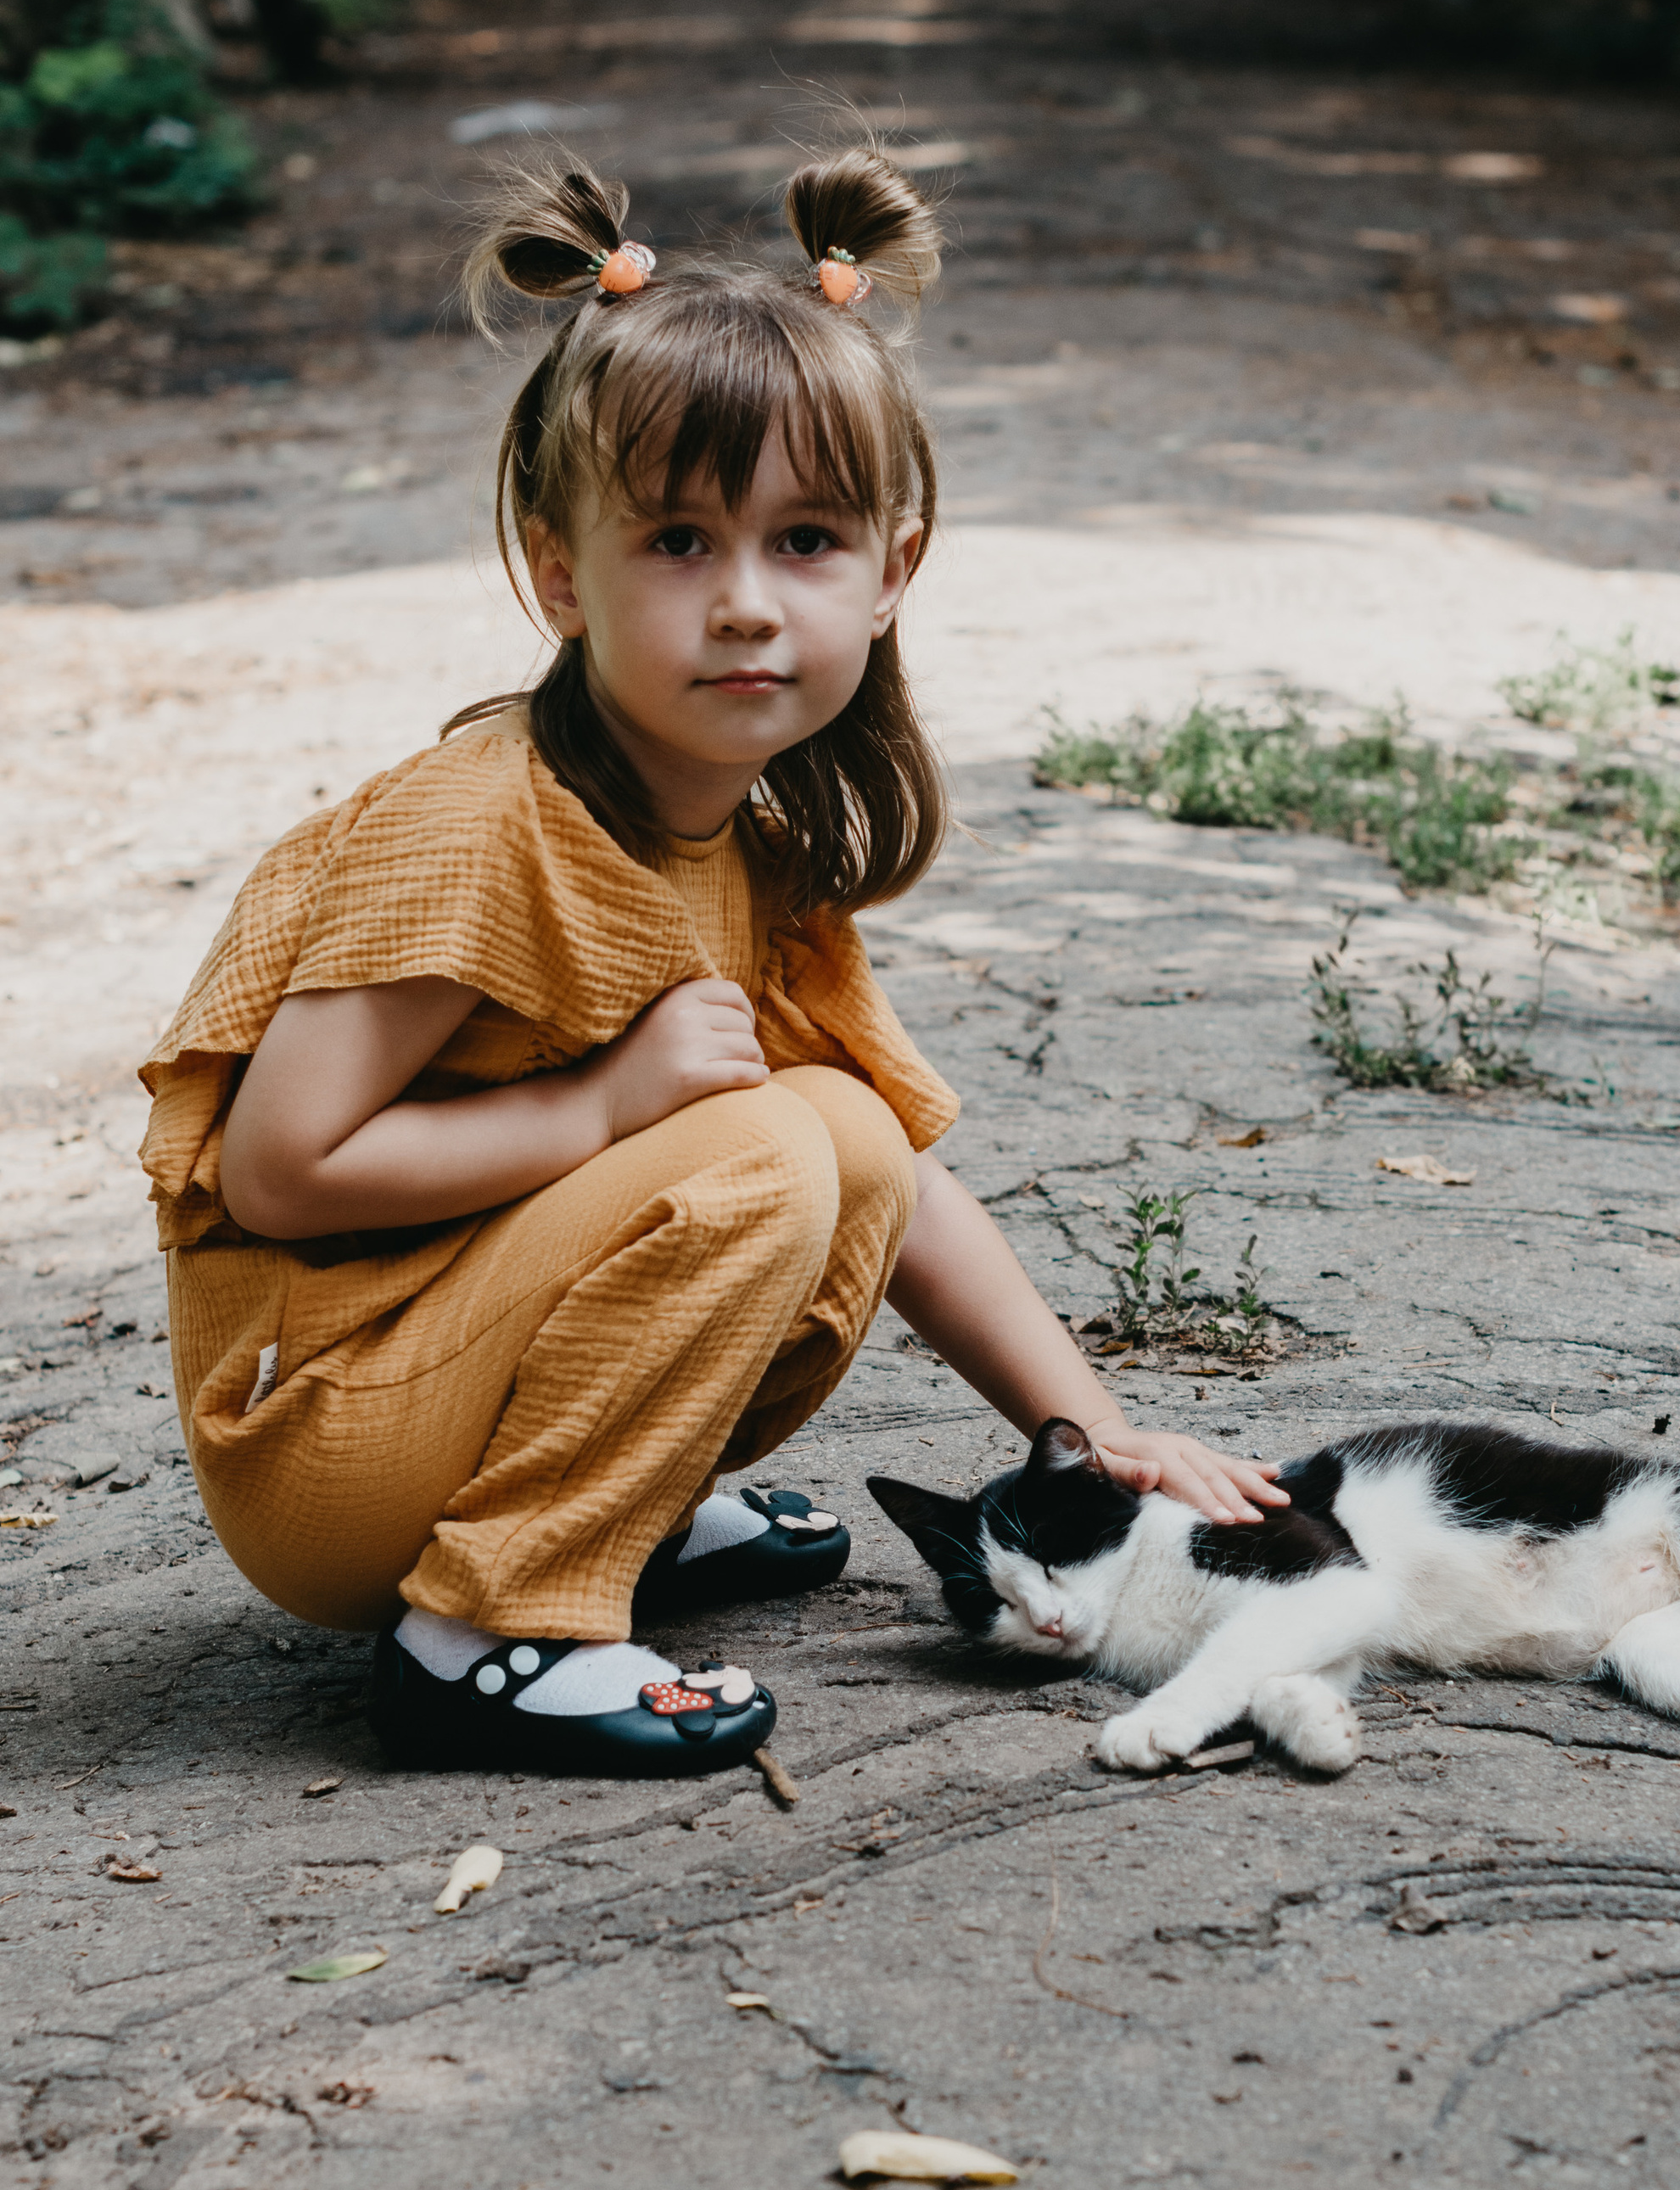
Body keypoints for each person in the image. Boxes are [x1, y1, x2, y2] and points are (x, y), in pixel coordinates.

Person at [138, 144, 1287, 1773]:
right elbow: (281, 1170)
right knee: (751, 1150)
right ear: (558, 571)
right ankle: (492, 1627)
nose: (746, 605)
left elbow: (903, 1193)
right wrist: (608, 1103)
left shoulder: (748, 844)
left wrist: (1095, 1436)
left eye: (804, 540)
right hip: (324, 1446)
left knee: (846, 1139)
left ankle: (614, 1513)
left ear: (894, 573)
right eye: (677, 543)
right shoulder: (482, 832)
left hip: (441, 1393)